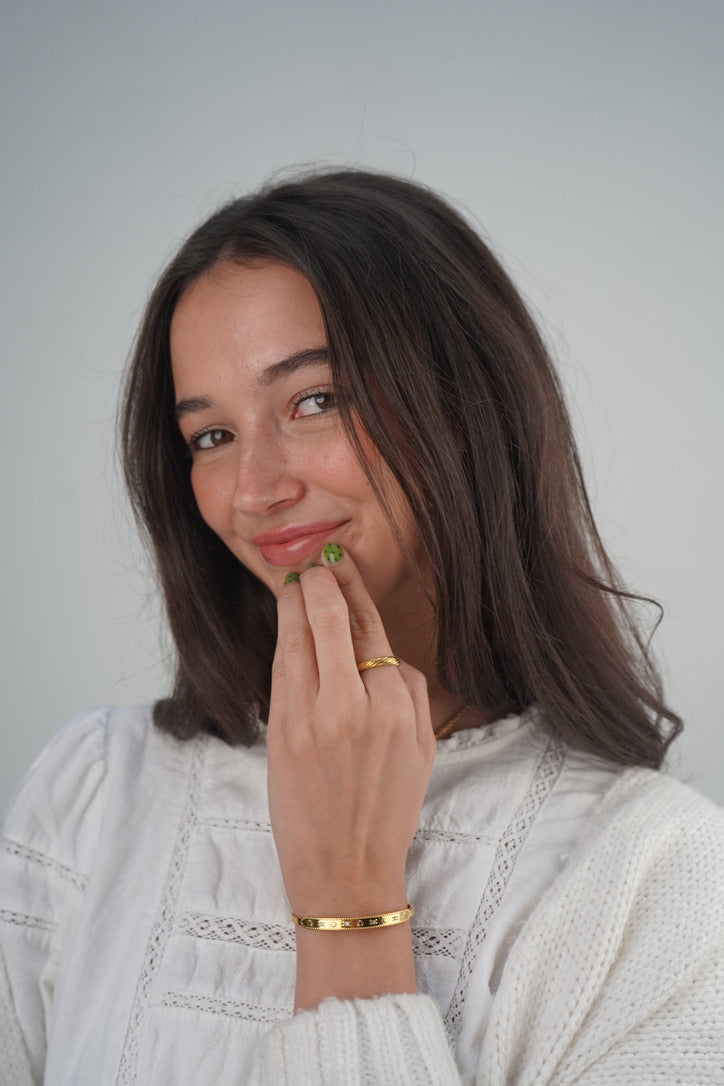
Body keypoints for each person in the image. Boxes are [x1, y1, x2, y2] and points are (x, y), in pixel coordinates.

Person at [1, 170, 722, 1086]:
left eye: (314, 401)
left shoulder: (656, 876)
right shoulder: (94, 789)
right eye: (211, 437)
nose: (255, 490)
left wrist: (349, 908)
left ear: (467, 407)